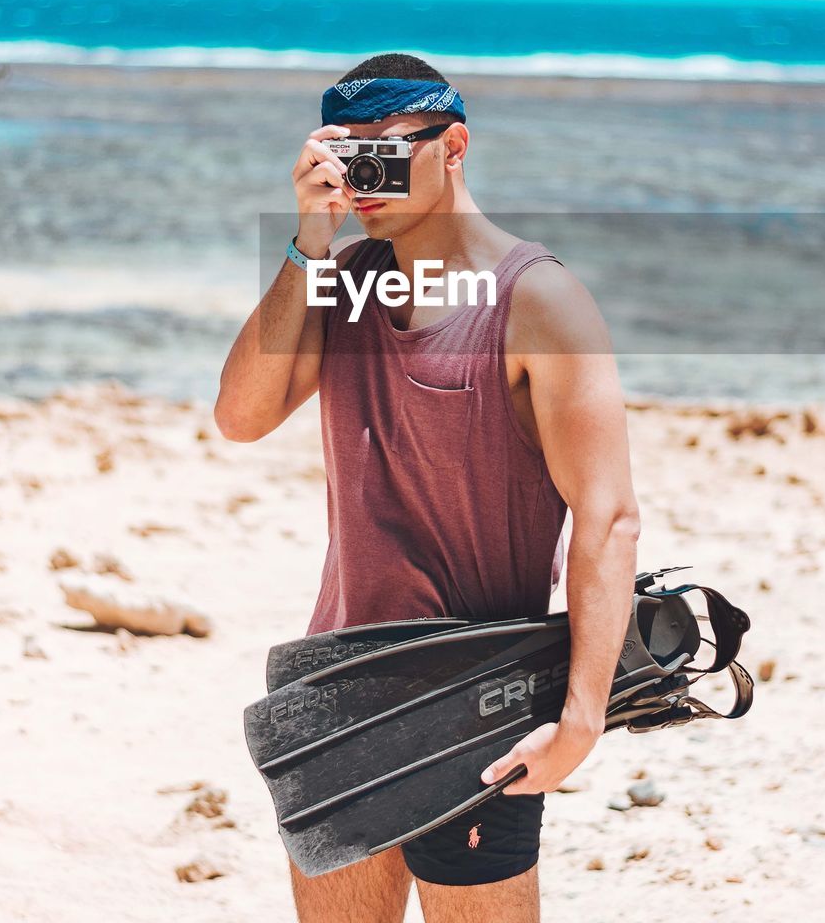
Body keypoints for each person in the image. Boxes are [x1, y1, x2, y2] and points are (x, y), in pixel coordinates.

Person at [216, 52, 641, 923]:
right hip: (336, 683)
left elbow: (608, 518)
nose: (363, 177)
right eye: (346, 153)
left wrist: (581, 721)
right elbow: (241, 416)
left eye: (386, 151)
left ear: (454, 147)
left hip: (473, 691)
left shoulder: (540, 301)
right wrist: (309, 242)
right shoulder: (349, 278)